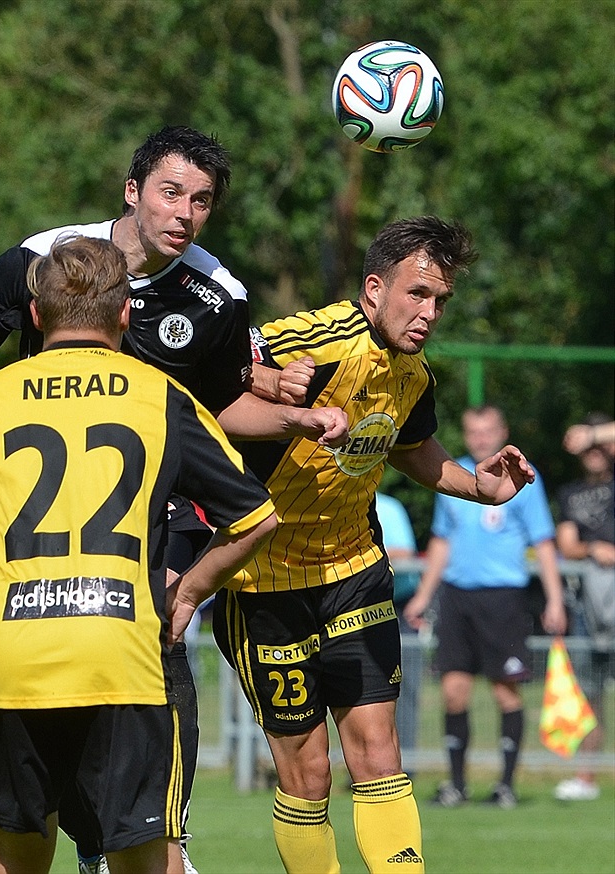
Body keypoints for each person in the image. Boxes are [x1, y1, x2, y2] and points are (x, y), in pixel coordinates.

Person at [0, 125, 346, 874]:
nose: (185, 213)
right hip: (84, 566)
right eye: (171, 192)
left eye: (202, 200)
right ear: (132, 191)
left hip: (110, 553)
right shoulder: (39, 260)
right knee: (134, 703)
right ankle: (138, 841)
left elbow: (218, 411)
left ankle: (147, 835)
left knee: (36, 830)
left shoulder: (218, 296)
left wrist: (293, 418)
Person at [211, 216, 543, 874]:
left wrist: (479, 487)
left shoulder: (412, 373)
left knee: (378, 754)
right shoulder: (317, 337)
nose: (429, 313)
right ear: (373, 289)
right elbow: (212, 387)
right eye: (417, 294)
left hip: (355, 569)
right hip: (261, 580)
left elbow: (415, 450)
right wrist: (288, 409)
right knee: (307, 774)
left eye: (440, 300)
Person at [404, 405, 568, 809]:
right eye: (473, 432)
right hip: (458, 598)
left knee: (505, 691)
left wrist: (555, 600)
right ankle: (456, 784)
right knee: (454, 692)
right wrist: (423, 596)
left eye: (487, 430)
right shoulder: (452, 474)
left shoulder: (522, 479)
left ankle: (506, 784)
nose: (480, 438)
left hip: (503, 598)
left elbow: (543, 543)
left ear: (502, 431)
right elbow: (442, 542)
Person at [553, 412, 615, 801]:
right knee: (590, 693)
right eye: (587, 448)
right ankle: (587, 776)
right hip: (591, 605)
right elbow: (567, 544)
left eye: (599, 445)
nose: (593, 452)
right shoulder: (570, 493)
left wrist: (591, 432)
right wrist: (594, 548)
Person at [374, 492, 423, 771]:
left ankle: (406, 764)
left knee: (405, 693)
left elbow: (405, 552)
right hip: (354, 609)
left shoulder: (389, 508)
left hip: (398, 608)